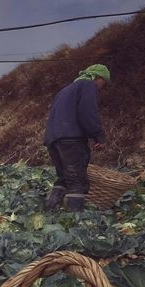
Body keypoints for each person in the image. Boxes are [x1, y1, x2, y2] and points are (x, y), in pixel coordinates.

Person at [42, 64, 110, 212]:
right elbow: (88, 111)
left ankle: (50, 211)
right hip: (71, 139)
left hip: (52, 139)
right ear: (98, 77)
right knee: (78, 182)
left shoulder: (65, 90)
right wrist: (98, 135)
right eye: (103, 83)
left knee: (64, 178)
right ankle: (74, 220)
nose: (101, 88)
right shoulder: (88, 85)